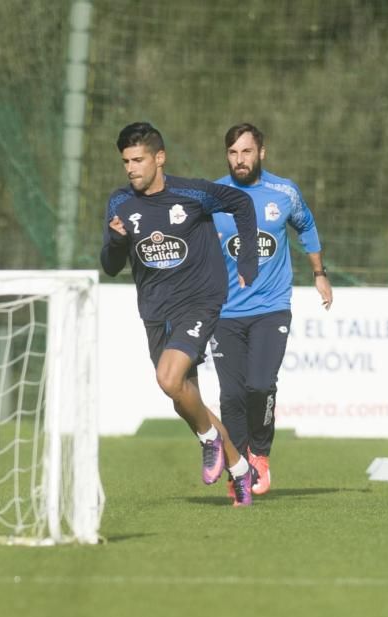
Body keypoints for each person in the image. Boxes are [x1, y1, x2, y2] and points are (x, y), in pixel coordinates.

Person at [101, 121, 261, 507]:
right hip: (155, 310)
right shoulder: (120, 203)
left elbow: (242, 203)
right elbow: (109, 265)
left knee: (167, 377)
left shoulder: (192, 193)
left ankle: (210, 443)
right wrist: (118, 241)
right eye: (126, 161)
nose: (131, 168)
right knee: (182, 395)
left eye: (138, 159)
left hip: (200, 300)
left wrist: (247, 256)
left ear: (159, 158)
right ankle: (241, 471)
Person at [211, 122, 334, 502]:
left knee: (259, 385)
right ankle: (238, 469)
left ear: (261, 152)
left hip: (271, 308)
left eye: (246, 152)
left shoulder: (283, 193)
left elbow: (307, 226)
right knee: (231, 396)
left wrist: (319, 274)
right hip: (224, 312)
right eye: (233, 153)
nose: (239, 160)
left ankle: (259, 455)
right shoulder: (214, 196)